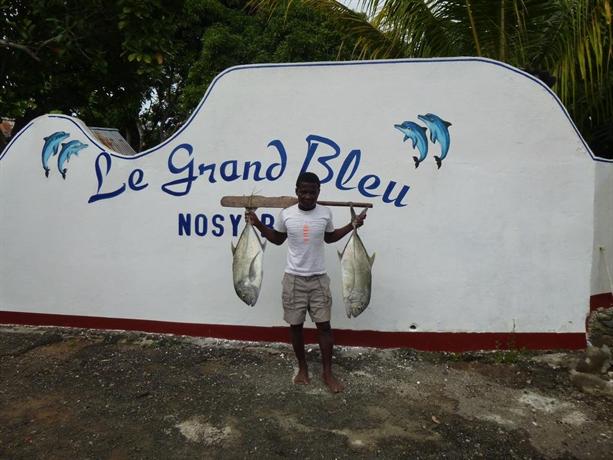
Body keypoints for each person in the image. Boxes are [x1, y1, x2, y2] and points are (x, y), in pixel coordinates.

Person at [245, 172, 366, 393]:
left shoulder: (325, 213)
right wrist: (258, 224)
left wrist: (352, 225)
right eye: (304, 191)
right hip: (293, 279)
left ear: (318, 192)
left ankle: (327, 372)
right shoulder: (286, 214)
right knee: (296, 326)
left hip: (319, 279)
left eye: (312, 192)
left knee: (324, 326)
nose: (308, 196)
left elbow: (329, 237)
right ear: (297, 191)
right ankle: (302, 368)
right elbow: (278, 239)